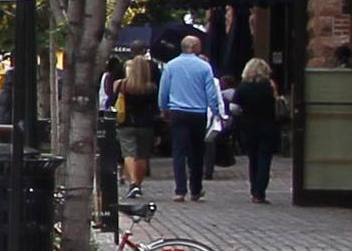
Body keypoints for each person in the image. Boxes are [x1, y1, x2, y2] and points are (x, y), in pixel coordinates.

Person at [157, 30, 224, 202]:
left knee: (179, 151)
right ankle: (196, 188)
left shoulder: (171, 66)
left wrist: (164, 108)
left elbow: (163, 90)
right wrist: (215, 111)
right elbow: (211, 92)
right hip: (197, 113)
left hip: (178, 112)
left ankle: (180, 189)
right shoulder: (204, 67)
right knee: (197, 152)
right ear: (194, 47)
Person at [230, 55, 286, 203]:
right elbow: (275, 105)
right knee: (264, 159)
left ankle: (254, 188)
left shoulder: (242, 87)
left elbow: (234, 108)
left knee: (252, 159)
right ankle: (260, 191)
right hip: (267, 126)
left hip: (248, 127)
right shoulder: (269, 85)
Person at [117, 39, 161, 199]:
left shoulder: (122, 85)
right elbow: (157, 106)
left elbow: (112, 99)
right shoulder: (151, 88)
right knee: (142, 155)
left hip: (126, 121)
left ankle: (133, 183)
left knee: (128, 152)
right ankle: (137, 184)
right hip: (146, 123)